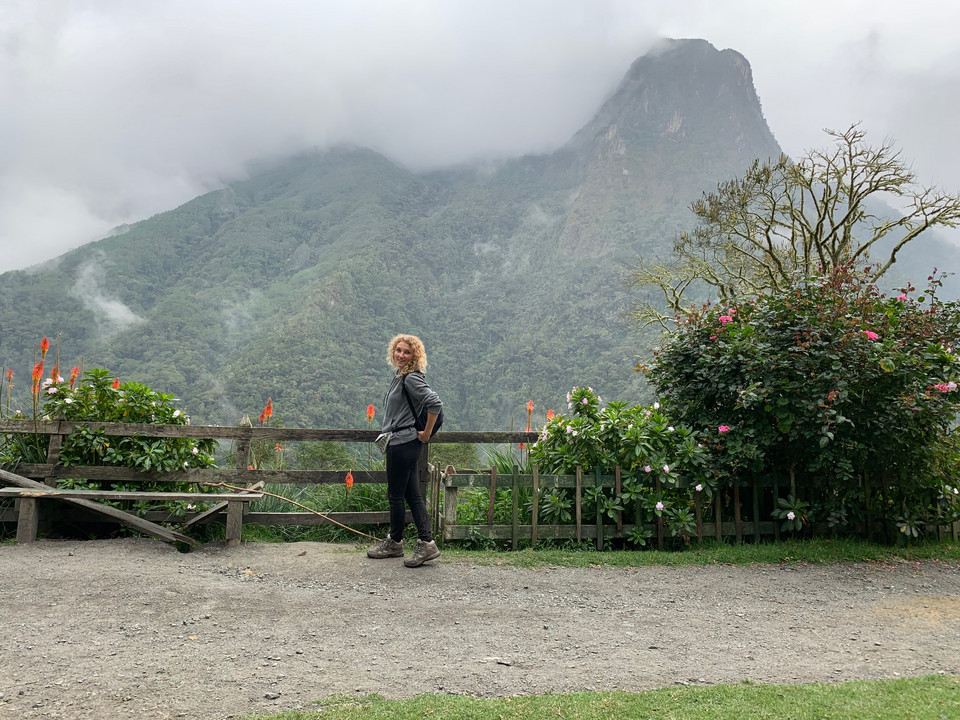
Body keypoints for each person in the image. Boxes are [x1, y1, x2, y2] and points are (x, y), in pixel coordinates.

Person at [367, 334, 442, 567]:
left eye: (406, 352)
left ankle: (396, 542)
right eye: (398, 350)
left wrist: (427, 433)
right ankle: (426, 543)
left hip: (403, 443)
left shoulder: (411, 379)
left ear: (415, 356)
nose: (401, 355)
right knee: (412, 495)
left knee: (396, 496)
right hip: (402, 441)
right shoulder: (401, 376)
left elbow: (435, 403)